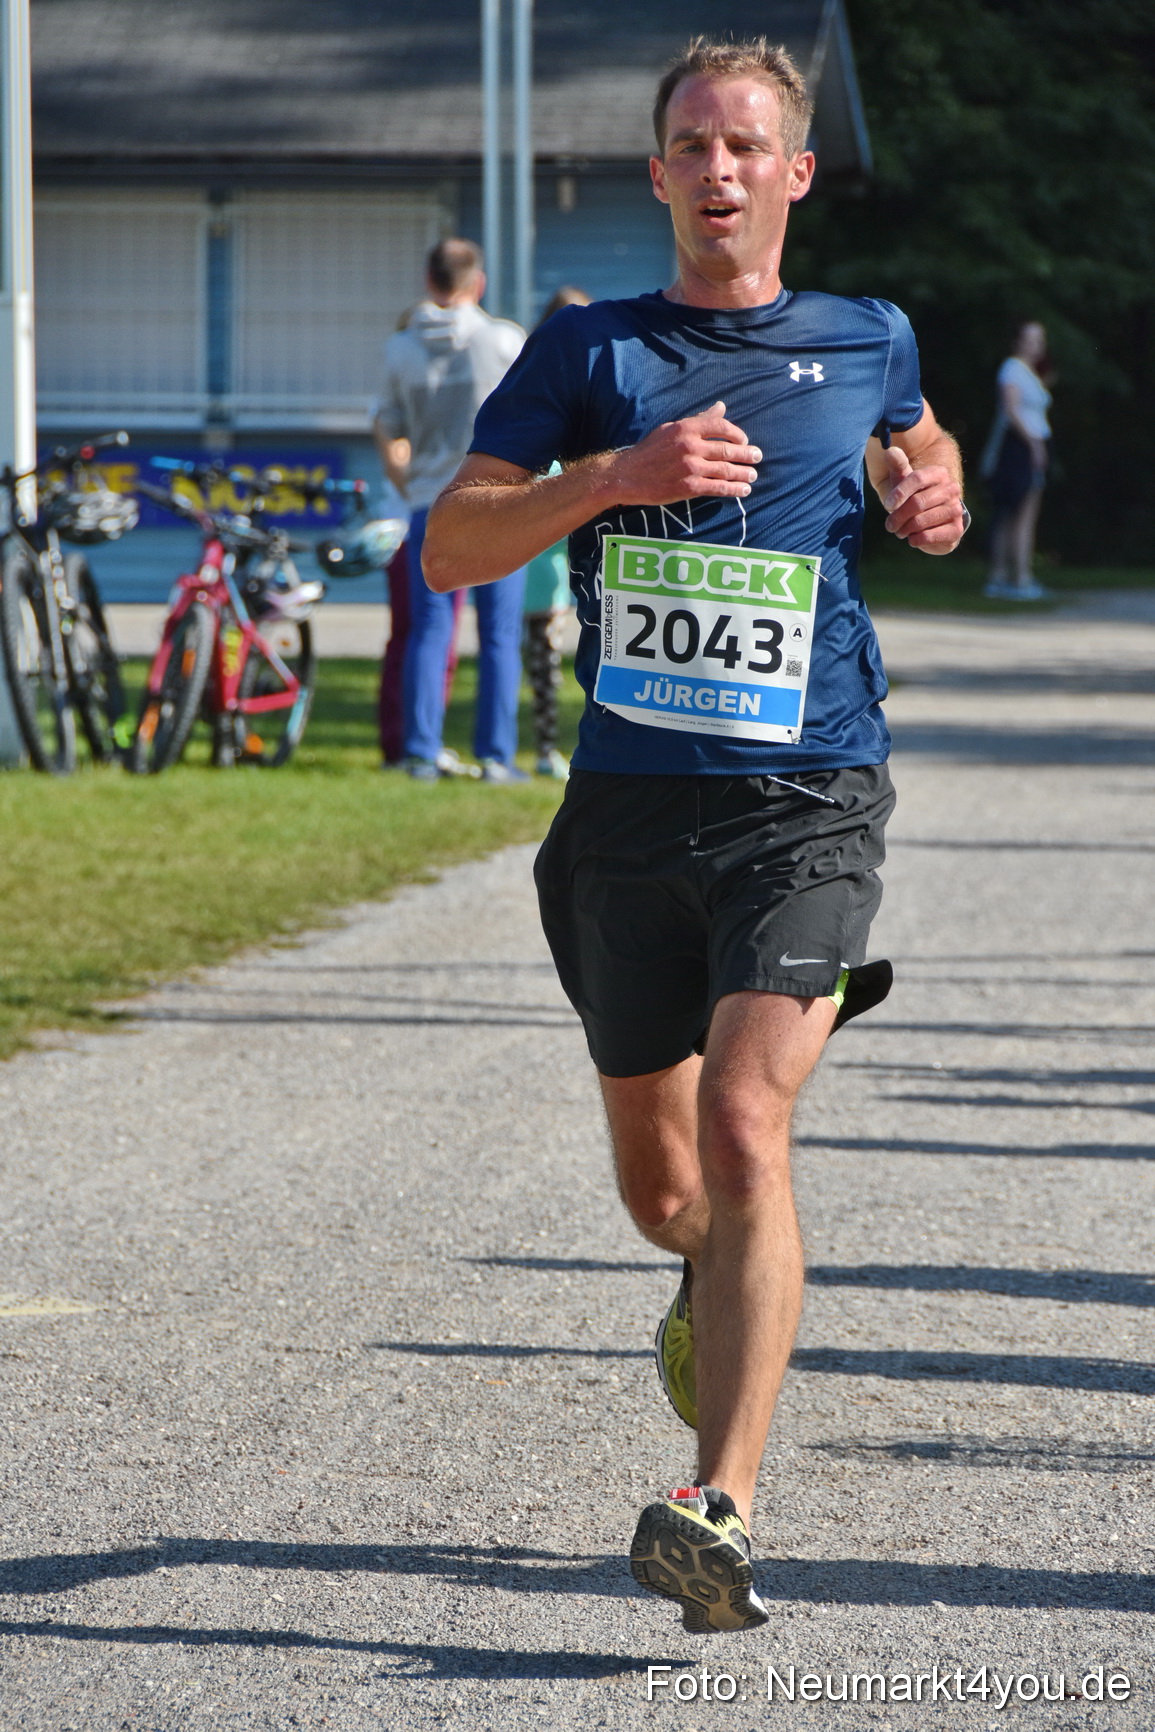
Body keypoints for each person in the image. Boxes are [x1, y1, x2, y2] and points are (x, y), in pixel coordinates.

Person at [423, 37, 967, 1631]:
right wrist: (612, 477)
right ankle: (699, 1278)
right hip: (626, 815)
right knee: (667, 1195)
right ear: (657, 174)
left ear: (792, 173)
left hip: (806, 797)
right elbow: (451, 545)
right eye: (688, 145)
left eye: (745, 146)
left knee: (744, 1131)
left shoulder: (867, 334)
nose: (717, 170)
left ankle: (714, 1502)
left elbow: (912, 437)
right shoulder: (588, 348)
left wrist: (921, 483)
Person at [374, 238, 529, 782]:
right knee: (499, 634)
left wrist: (408, 480)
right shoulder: (505, 340)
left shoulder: (400, 349)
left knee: (428, 629)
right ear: (477, 283)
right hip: (498, 501)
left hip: (428, 502)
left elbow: (387, 426)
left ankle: (420, 752)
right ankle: (496, 756)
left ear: (429, 280)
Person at [521, 289, 591, 778]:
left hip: (572, 567)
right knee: (539, 664)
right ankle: (542, 751)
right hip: (536, 564)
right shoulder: (536, 394)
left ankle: (552, 749)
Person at [981, 321, 1052, 601]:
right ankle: (1016, 578)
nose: (1037, 345)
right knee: (1017, 513)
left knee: (1020, 513)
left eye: (1040, 340)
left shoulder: (1030, 373)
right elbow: (1011, 410)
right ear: (1018, 341)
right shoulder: (1012, 369)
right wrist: (1034, 444)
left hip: (1027, 447)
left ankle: (1010, 576)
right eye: (1031, 339)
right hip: (1018, 448)